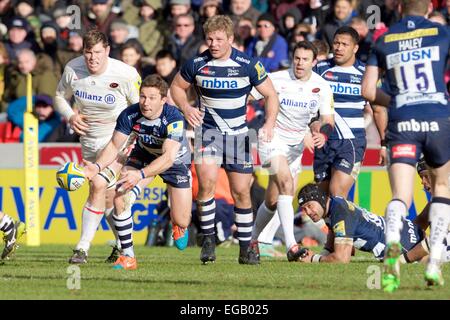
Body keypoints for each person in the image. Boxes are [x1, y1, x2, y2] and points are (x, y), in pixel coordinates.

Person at [170, 15, 279, 265]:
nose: (214, 43)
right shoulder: (196, 63)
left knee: (241, 192)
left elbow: (271, 94)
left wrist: (269, 123)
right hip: (208, 134)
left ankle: (245, 248)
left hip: (240, 136)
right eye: (210, 38)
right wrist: (186, 109)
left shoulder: (248, 64)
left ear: (231, 39)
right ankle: (208, 241)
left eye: (219, 39)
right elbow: (176, 87)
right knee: (205, 187)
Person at [362, 0, 449, 290]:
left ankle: (392, 252)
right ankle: (435, 261)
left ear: (399, 10)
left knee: (401, 195)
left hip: (403, 122)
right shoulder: (441, 33)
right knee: (442, 190)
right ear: (427, 10)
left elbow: (367, 90)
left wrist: (398, 100)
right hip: (437, 119)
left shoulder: (383, 38)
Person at [83, 74, 192, 270]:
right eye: (142, 96)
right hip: (143, 155)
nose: (145, 102)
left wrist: (140, 175)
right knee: (119, 196)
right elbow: (114, 145)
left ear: (163, 100)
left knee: (182, 218)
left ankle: (178, 224)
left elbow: (167, 158)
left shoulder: (174, 117)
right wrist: (97, 166)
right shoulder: (130, 114)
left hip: (174, 161)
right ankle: (128, 256)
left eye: (151, 98)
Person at [54, 29, 141, 264]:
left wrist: (133, 139)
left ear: (108, 51)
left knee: (98, 185)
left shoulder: (125, 74)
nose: (92, 58)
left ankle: (82, 249)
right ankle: (123, 247)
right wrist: (71, 116)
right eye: (88, 52)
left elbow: (141, 109)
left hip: (118, 140)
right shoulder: (73, 68)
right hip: (89, 140)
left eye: (98, 53)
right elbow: (59, 97)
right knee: (109, 198)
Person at [249, 41, 334, 261]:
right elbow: (248, 96)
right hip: (271, 137)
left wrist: (322, 133)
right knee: (286, 184)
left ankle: (252, 241)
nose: (300, 63)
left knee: (273, 200)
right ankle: (292, 246)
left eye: (305, 59)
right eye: (297, 58)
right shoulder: (275, 79)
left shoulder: (322, 86)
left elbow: (327, 119)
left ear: (314, 62)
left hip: (296, 146)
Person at [297, 183, 450, 264]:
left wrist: (313, 259)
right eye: (304, 209)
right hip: (406, 230)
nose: (308, 212)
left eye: (310, 206)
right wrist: (317, 256)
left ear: (321, 199)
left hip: (405, 246)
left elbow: (342, 259)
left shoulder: (340, 212)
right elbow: (332, 247)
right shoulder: (336, 204)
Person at [314, 26, 370, 199]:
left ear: (355, 48)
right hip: (323, 141)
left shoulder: (365, 73)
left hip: (352, 141)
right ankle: (336, 226)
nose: (338, 48)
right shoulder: (320, 69)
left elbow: (376, 109)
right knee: (321, 200)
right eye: (336, 43)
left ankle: (345, 226)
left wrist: (384, 144)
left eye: (344, 44)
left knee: (337, 192)